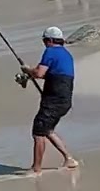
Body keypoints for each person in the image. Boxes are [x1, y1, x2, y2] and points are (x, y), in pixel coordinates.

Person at [20, 27, 79, 175]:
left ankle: (36, 169)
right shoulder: (66, 55)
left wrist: (27, 70)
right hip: (64, 101)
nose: (45, 44)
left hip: (54, 101)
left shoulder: (51, 52)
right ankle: (69, 159)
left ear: (51, 40)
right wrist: (29, 76)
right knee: (48, 130)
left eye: (45, 41)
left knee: (38, 132)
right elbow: (53, 75)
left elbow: (39, 73)